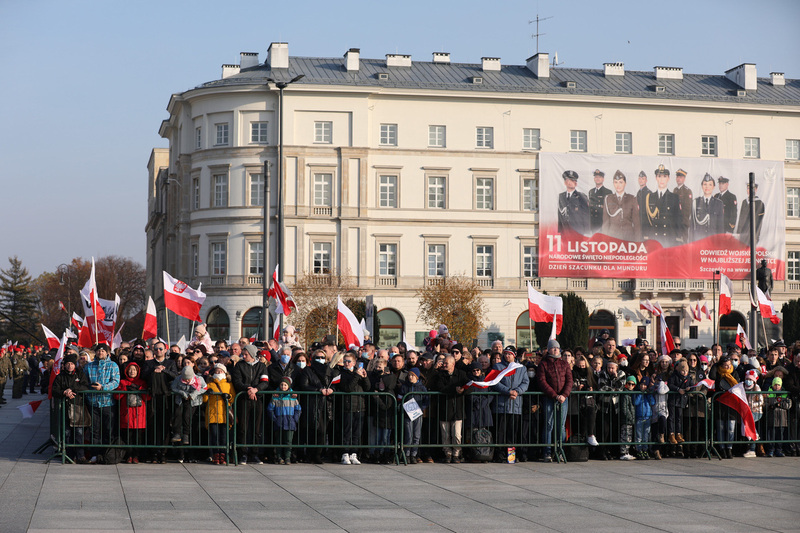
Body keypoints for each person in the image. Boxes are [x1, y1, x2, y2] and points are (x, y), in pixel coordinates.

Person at [231, 343, 270, 465]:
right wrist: (248, 389)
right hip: (244, 400)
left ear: (252, 354)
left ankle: (255, 453)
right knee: (243, 428)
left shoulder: (261, 366)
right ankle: (243, 453)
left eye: (246, 354)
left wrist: (256, 389)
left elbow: (265, 381)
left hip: (257, 400)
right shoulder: (239, 366)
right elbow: (237, 381)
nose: (244, 355)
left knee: (256, 428)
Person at [535, 339, 572, 463]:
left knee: (560, 426)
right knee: (549, 425)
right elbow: (542, 382)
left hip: (563, 399)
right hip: (549, 398)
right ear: (548, 349)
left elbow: (569, 381)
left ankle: (560, 450)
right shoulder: (544, 364)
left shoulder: (565, 364)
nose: (555, 349)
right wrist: (554, 395)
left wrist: (564, 395)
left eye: (557, 347)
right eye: (553, 348)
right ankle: (547, 452)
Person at [491, 346, 530, 463]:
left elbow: (525, 382)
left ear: (514, 355)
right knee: (500, 433)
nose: (507, 356)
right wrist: (508, 391)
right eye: (505, 354)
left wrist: (517, 391)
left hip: (515, 406)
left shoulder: (521, 368)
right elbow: (495, 382)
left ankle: (511, 457)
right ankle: (499, 456)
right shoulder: (498, 366)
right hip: (501, 406)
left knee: (512, 433)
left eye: (509, 354)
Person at [428, 355, 468, 463]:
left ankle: (456, 454)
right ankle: (448, 454)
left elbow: (469, 386)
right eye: (443, 363)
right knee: (445, 435)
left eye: (446, 363)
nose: (444, 365)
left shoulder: (461, 374)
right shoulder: (440, 375)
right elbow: (440, 387)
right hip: (444, 408)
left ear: (453, 364)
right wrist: (455, 389)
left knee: (456, 435)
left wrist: (463, 390)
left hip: (457, 409)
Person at [84, 343, 120, 462]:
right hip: (93, 402)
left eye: (103, 351)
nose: (100, 353)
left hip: (108, 403)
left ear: (107, 353)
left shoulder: (113, 365)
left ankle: (107, 454)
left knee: (108, 430)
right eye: (98, 351)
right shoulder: (89, 366)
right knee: (95, 430)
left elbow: (116, 381)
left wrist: (103, 387)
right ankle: (95, 454)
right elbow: (84, 381)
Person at [51, 352, 90, 463]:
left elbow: (85, 387)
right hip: (65, 408)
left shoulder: (80, 374)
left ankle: (80, 456)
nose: (70, 366)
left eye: (72, 364)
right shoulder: (60, 377)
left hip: (78, 407)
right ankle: (68, 455)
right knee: (67, 433)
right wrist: (64, 392)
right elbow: (54, 390)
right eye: (68, 363)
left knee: (79, 433)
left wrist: (72, 389)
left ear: (75, 364)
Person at [335, 352, 370, 465]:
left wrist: (364, 377)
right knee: (347, 432)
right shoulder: (342, 374)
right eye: (345, 361)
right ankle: (345, 453)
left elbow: (368, 387)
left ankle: (354, 453)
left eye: (349, 361)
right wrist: (357, 376)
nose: (346, 363)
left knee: (357, 432)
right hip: (347, 406)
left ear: (354, 363)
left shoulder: (358, 373)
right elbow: (348, 388)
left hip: (360, 406)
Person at [170, 364, 207, 461]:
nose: (186, 381)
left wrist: (194, 394)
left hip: (193, 402)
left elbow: (205, 388)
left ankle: (186, 435)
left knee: (187, 416)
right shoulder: (178, 379)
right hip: (181, 401)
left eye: (188, 379)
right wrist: (182, 393)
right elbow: (173, 388)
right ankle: (177, 433)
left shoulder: (199, 379)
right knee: (177, 415)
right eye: (185, 379)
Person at [115, 362, 150, 464]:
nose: (132, 372)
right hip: (127, 414)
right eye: (130, 370)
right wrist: (124, 389)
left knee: (138, 437)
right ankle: (129, 455)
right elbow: (116, 396)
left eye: (134, 370)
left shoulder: (142, 383)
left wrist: (140, 389)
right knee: (128, 437)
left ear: (138, 371)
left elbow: (148, 397)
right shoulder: (122, 382)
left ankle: (136, 456)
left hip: (139, 414)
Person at [267, 376, 302, 465]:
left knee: (288, 441)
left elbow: (298, 409)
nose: (283, 387)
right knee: (278, 441)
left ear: (288, 386)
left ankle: (287, 457)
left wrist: (295, 419)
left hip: (290, 422)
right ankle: (279, 457)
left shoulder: (293, 397)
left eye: (285, 385)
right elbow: (270, 409)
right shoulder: (276, 396)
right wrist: (274, 419)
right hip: (279, 421)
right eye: (282, 385)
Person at [644, 164, 680, 247]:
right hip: (654, 238)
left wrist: (676, 239)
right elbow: (646, 220)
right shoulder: (650, 197)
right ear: (656, 178)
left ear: (668, 178)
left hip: (668, 238)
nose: (662, 179)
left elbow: (677, 221)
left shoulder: (674, 197)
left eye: (664, 176)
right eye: (659, 176)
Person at [399, 368, 429, 464]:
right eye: (409, 375)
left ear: (416, 376)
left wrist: (422, 408)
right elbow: (400, 398)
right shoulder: (404, 386)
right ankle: (407, 454)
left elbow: (426, 399)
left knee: (416, 435)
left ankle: (414, 454)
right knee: (408, 435)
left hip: (417, 414)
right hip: (407, 413)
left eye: (412, 375)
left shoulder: (421, 387)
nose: (410, 377)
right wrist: (402, 406)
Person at [204, 363, 233, 465]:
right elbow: (204, 399)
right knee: (214, 436)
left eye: (220, 371)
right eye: (216, 371)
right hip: (213, 414)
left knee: (224, 437)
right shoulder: (210, 384)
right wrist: (207, 393)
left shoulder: (229, 385)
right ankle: (216, 455)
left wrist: (228, 397)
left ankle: (224, 455)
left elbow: (233, 397)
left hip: (224, 415)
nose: (218, 372)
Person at [601, 170, 640, 241]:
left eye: (620, 182)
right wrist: (604, 241)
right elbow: (605, 224)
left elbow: (637, 224)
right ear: (613, 183)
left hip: (628, 238)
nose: (618, 185)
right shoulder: (608, 199)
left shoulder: (632, 199)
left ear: (625, 183)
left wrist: (638, 243)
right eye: (616, 182)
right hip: (612, 238)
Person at [713, 356, 738, 459]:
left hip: (731, 404)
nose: (727, 367)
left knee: (730, 428)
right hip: (720, 404)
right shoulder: (718, 374)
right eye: (725, 365)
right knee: (721, 427)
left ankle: (729, 448)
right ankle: (722, 449)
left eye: (729, 365)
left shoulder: (734, 373)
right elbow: (711, 376)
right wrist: (715, 365)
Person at [558, 170, 590, 236]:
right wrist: (560, 231)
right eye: (568, 180)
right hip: (565, 231)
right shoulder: (561, 196)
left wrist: (587, 232)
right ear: (565, 182)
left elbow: (586, 215)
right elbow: (560, 214)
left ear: (576, 183)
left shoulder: (581, 196)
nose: (570, 183)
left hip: (578, 231)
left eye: (573, 180)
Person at [765, 377, 792, 457]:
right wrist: (770, 405)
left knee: (780, 435)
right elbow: (765, 404)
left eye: (778, 385)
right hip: (771, 419)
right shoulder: (768, 393)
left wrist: (781, 405)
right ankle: (771, 450)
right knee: (771, 436)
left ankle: (779, 450)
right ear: (773, 385)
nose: (777, 387)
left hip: (782, 419)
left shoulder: (785, 393)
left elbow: (788, 405)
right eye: (775, 385)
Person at [692, 174, 725, 240]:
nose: (707, 187)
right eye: (705, 184)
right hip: (699, 241)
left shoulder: (719, 203)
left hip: (713, 242)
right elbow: (692, 226)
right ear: (702, 186)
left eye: (710, 184)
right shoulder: (695, 202)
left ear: (714, 187)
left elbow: (720, 228)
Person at [618, 376, 637, 460]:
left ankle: (627, 452)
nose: (630, 386)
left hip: (630, 419)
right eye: (629, 384)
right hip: (626, 419)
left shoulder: (632, 394)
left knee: (629, 436)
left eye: (633, 384)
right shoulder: (625, 394)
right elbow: (624, 408)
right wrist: (630, 417)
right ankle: (623, 453)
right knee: (625, 436)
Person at [588, 169, 612, 233]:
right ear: (594, 179)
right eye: (596, 177)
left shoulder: (608, 192)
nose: (597, 179)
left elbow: (610, 210)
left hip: (602, 222)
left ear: (603, 179)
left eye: (599, 177)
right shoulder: (591, 191)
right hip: (592, 222)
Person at [673, 168, 693, 244]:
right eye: (677, 177)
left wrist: (682, 222)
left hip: (683, 223)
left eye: (680, 177)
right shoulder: (675, 190)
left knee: (683, 243)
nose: (678, 179)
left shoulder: (687, 191)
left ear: (684, 179)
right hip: (675, 222)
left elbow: (688, 209)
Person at [636, 170, 652, 239]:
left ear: (646, 180)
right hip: (639, 224)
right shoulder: (638, 192)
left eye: (643, 179)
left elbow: (650, 213)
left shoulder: (649, 193)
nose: (641, 180)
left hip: (646, 225)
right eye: (639, 178)